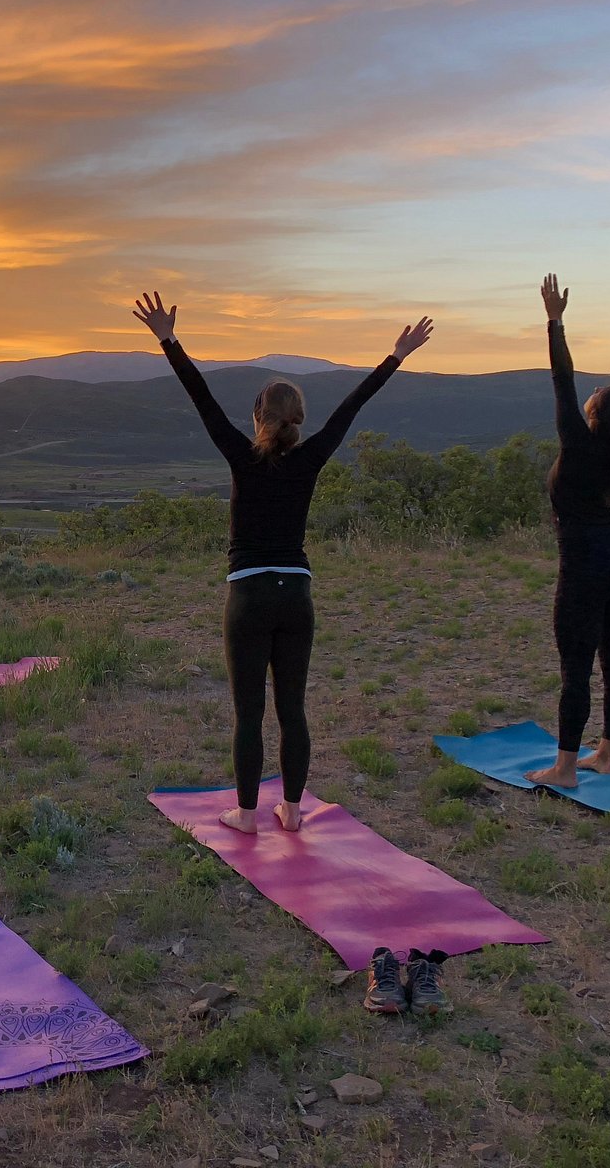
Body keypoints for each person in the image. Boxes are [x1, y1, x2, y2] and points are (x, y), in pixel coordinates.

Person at [134, 291, 432, 833]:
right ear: (299, 419)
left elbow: (201, 398)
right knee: (291, 707)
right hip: (296, 594)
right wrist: (396, 355)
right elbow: (352, 407)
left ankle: (247, 815)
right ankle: (292, 813)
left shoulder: (241, 455)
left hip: (247, 596)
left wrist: (168, 339)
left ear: (256, 417)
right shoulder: (312, 457)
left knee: (250, 713)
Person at [526, 276, 610, 789]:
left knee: (576, 668)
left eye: (599, 395)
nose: (595, 390)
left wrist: (555, 321)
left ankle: (566, 769)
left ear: (595, 413)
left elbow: (563, 377)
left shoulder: (579, 443)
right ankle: (607, 755)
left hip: (587, 567)